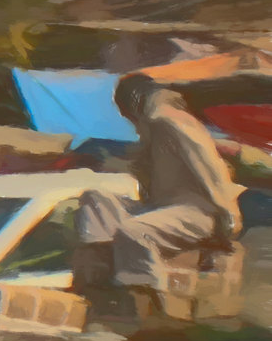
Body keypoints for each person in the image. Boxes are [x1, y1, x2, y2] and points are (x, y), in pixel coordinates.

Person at [75, 75, 244, 306]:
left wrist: (228, 216)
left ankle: (145, 299)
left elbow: (210, 170)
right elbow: (145, 177)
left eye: (124, 108)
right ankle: (100, 269)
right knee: (96, 199)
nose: (125, 116)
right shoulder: (151, 128)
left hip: (197, 213)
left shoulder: (171, 121)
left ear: (134, 101)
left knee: (134, 231)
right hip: (163, 209)